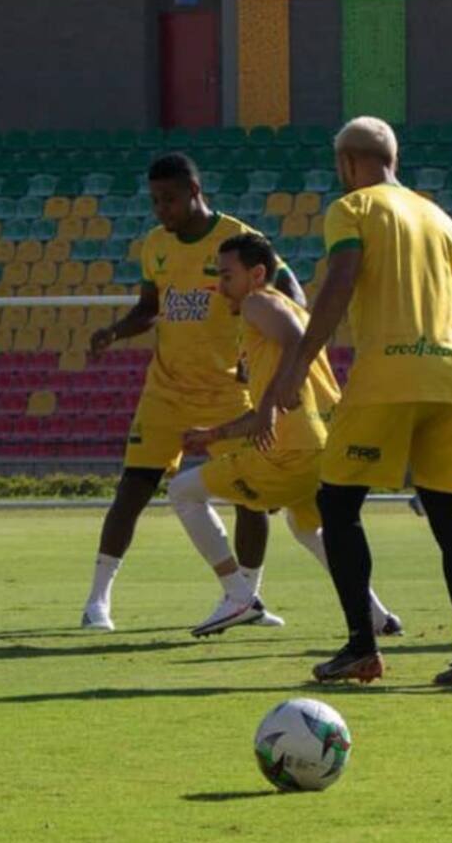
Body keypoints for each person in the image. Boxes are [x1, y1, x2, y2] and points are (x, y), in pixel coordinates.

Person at [273, 116, 452, 689]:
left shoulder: (351, 210)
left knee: (339, 504)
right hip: (449, 377)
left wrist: (297, 361)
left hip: (387, 375)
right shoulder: (444, 220)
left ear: (348, 163)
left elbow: (341, 282)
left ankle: (361, 649)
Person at [81, 152, 305, 631]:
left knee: (251, 495)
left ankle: (247, 596)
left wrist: (261, 352)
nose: (162, 209)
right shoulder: (155, 246)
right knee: (134, 488)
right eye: (156, 200)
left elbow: (292, 294)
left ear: (195, 192)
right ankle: (97, 601)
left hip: (228, 392)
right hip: (165, 391)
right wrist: (116, 332)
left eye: (170, 199)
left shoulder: (239, 240)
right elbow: (149, 307)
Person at [168, 232, 401, 638]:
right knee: (307, 529)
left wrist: (267, 410)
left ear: (256, 274)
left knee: (183, 491)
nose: (220, 287)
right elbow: (283, 383)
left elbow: (293, 348)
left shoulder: (259, 302)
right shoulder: (288, 308)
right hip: (323, 444)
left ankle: (238, 595)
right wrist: (216, 434)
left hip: (292, 449)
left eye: (226, 276)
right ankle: (378, 616)